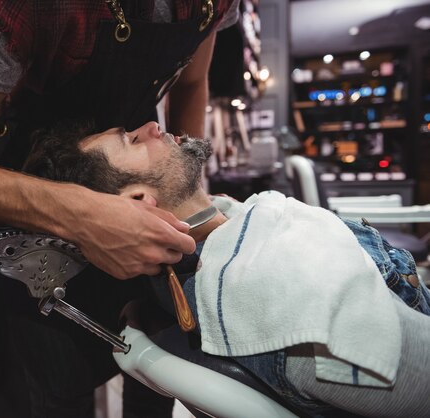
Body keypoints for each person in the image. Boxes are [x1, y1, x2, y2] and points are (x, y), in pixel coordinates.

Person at [0, 1, 243, 416]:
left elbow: (191, 84)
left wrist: (185, 194)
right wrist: (79, 214)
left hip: (145, 207)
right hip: (37, 243)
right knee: (56, 391)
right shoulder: (32, 7)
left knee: (162, 377)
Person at [21, 120, 430, 417]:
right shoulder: (286, 294)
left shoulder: (219, 260)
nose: (151, 126)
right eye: (131, 140)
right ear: (138, 200)